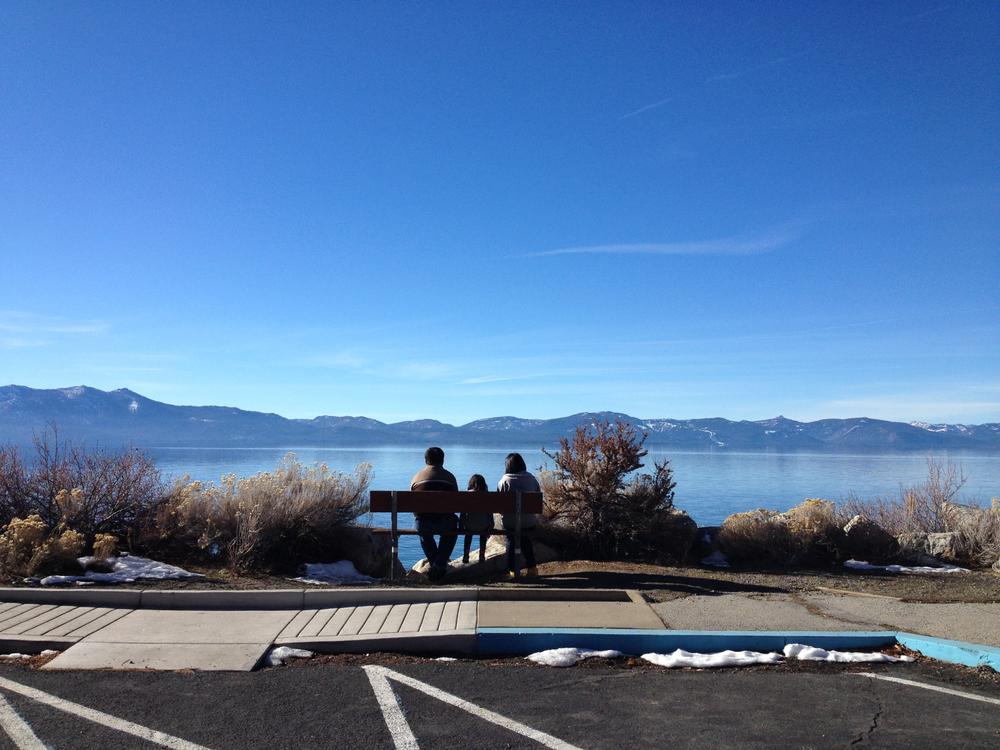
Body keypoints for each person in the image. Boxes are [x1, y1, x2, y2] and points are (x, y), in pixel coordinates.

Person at [410, 446, 458, 581]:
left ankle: (435, 565)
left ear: (426, 460)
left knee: (423, 531)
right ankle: (439, 565)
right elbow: (456, 503)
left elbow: (413, 505)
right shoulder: (450, 477)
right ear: (443, 460)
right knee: (452, 530)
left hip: (424, 524)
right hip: (446, 523)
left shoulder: (417, 477)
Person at [496, 452, 541, 578]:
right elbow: (538, 498)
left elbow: (499, 507)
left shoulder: (504, 481)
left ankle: (512, 571)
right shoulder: (532, 479)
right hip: (528, 522)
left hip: (510, 523)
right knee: (525, 540)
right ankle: (532, 568)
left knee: (511, 539)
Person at [462, 474, 494, 564]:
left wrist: (461, 525)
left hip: (469, 526)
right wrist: (491, 525)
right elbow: (490, 514)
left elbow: (463, 513)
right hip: (483, 526)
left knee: (468, 535)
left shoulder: (466, 495)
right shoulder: (487, 496)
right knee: (483, 534)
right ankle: (481, 556)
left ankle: (466, 555)